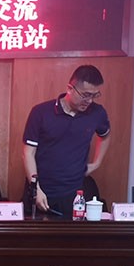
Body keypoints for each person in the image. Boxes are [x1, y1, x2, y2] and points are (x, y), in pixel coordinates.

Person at [22, 65, 111, 217]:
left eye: (94, 95)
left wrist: (97, 163)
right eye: (85, 95)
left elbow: (105, 135)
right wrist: (36, 189)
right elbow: (28, 153)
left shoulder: (97, 113)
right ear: (70, 88)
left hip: (74, 194)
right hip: (41, 190)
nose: (89, 101)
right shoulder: (41, 112)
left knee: (72, 232)